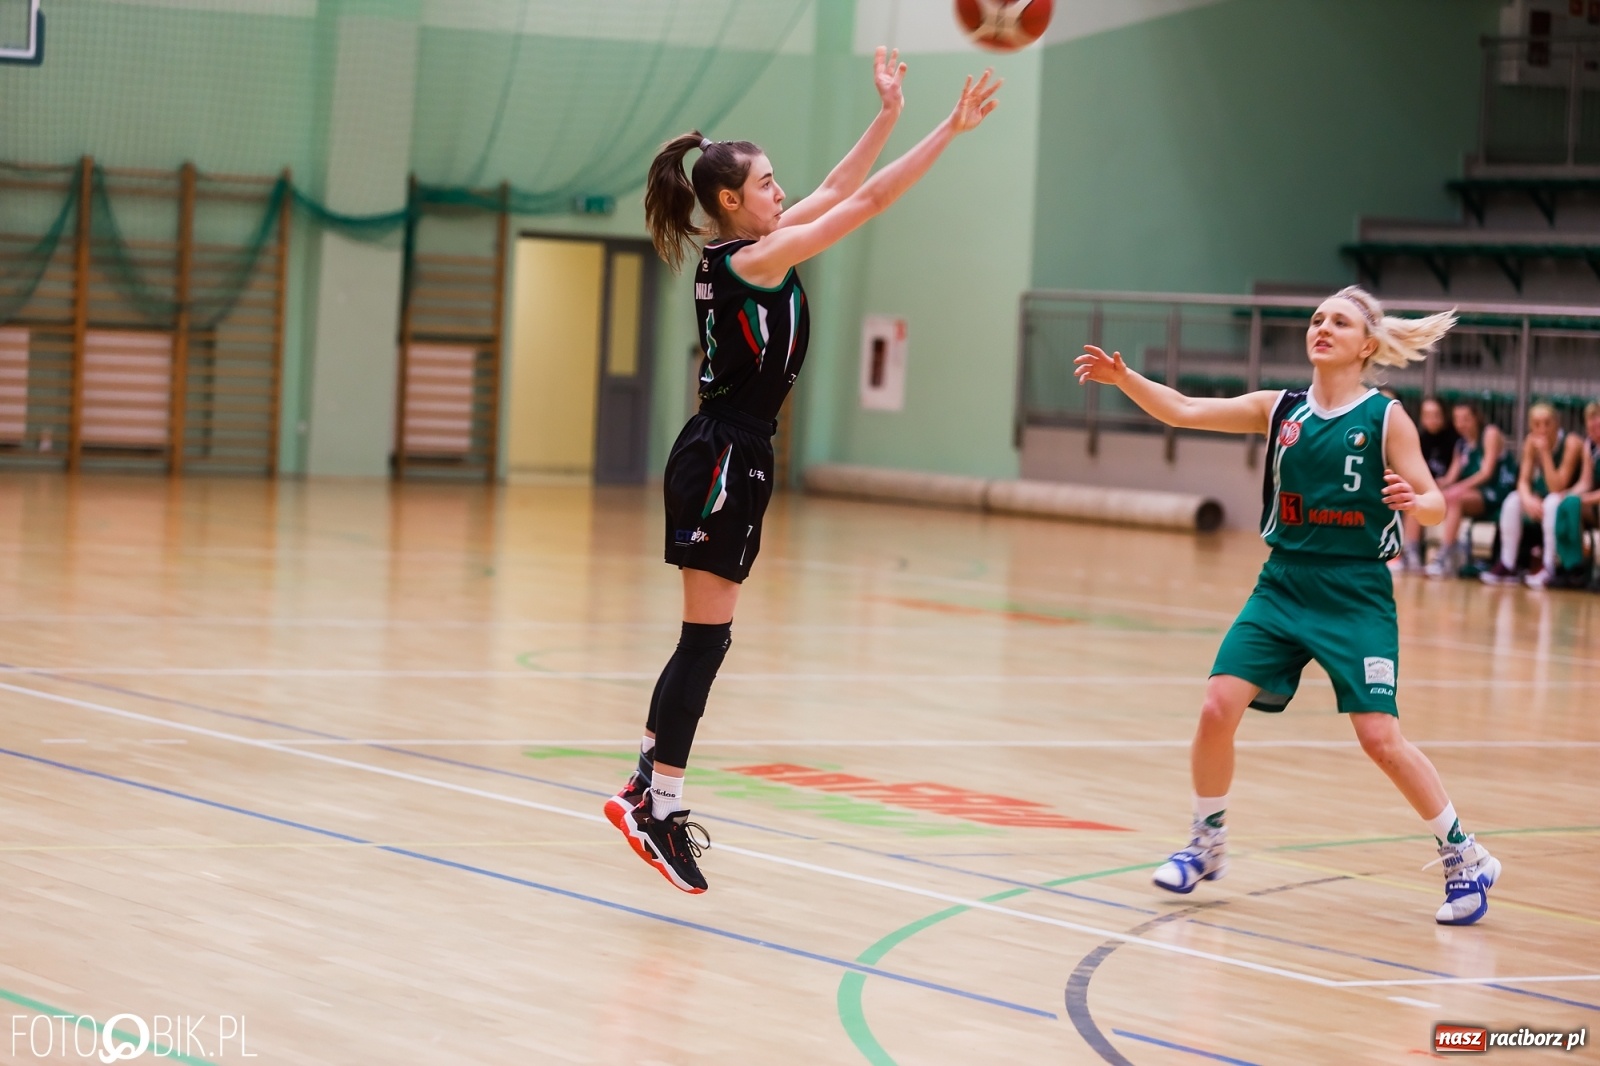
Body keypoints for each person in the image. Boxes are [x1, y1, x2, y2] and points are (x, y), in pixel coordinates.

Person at [609, 51, 1001, 893]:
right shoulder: (754, 261)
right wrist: (949, 129)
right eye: (766, 184)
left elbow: (835, 185)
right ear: (729, 202)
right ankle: (659, 805)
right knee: (705, 640)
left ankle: (650, 780)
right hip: (724, 454)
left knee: (704, 639)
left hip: (730, 448)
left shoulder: (755, 247)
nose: (782, 192)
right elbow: (865, 201)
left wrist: (890, 114)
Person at [1074, 286, 1502, 926]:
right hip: (1282, 583)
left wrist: (1417, 505)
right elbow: (1186, 409)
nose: (1323, 327)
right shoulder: (1281, 409)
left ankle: (1464, 854)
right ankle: (1206, 840)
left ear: (1366, 345)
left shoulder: (1386, 417)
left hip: (1354, 591)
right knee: (1218, 704)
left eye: (1339, 321)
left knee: (1379, 738)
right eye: (1316, 319)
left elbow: (1436, 501)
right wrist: (1125, 377)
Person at [1480, 402, 1585, 586]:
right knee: (1513, 501)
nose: (1542, 429)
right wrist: (1527, 498)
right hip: (1541, 499)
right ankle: (1507, 564)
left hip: (1569, 501)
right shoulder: (1530, 441)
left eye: (1547, 423)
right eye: (1536, 424)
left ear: (1557, 424)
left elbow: (1557, 486)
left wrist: (1544, 453)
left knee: (1552, 502)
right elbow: (1523, 480)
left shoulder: (1571, 443)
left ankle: (1549, 566)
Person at [1424, 402, 1511, 579]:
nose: (1461, 424)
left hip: (1499, 492)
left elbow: (1486, 472)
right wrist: (1431, 485)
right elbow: (1450, 478)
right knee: (1425, 495)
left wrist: (1458, 488)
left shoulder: (1490, 433)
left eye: (1466, 419)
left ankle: (1444, 556)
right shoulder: (1461, 445)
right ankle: (1410, 553)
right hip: (1472, 493)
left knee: (1456, 499)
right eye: (1457, 420)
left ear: (1476, 418)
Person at [1529, 400, 1600, 589]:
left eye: (1598, 419)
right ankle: (1572, 567)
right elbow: (1585, 482)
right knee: (1564, 503)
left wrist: (1580, 499)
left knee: (1572, 503)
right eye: (1590, 420)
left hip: (1596, 503)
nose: (1594, 424)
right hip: (1594, 505)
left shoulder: (1572, 443)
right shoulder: (1590, 446)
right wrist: (1568, 495)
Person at [1392, 396, 1458, 572]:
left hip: (1447, 490)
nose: (1432, 419)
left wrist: (1444, 483)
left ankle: (1443, 557)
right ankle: (1410, 553)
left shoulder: (1454, 439)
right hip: (1424, 492)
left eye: (1436, 414)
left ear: (1444, 415)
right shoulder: (1418, 438)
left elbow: (1456, 471)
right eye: (1427, 415)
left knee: (1424, 498)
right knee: (1410, 498)